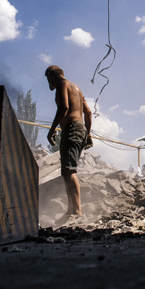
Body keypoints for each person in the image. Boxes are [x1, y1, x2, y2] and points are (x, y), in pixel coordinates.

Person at [45, 65, 92, 219]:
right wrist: (89, 133)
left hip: (71, 129)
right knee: (68, 170)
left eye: (48, 80)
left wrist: (52, 129)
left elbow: (64, 107)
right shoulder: (77, 88)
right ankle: (72, 210)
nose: (49, 85)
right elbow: (88, 112)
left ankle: (77, 211)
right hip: (80, 129)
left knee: (69, 170)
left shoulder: (61, 85)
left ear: (51, 76)